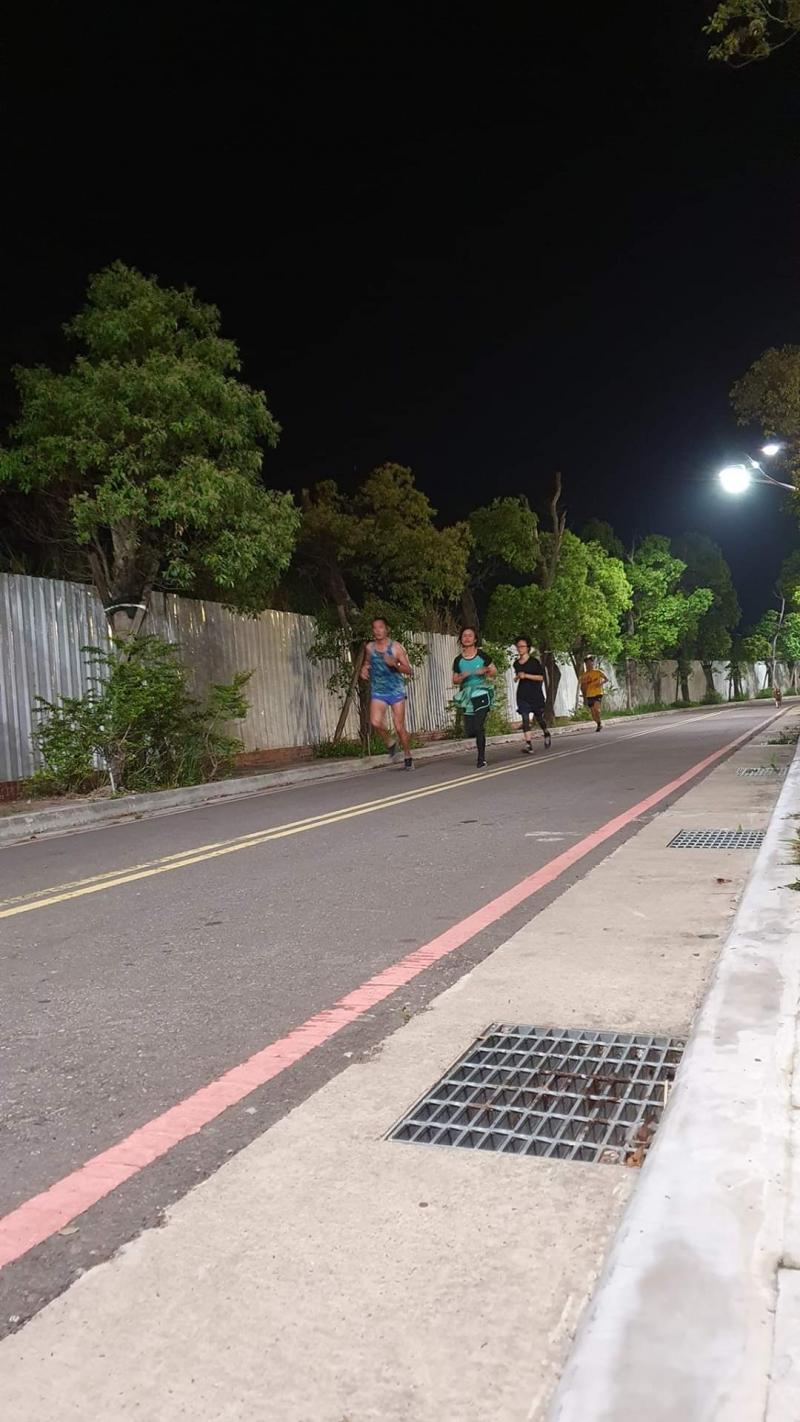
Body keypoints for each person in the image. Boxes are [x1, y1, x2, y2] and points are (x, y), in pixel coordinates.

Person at [360, 616, 414, 769]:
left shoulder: (396, 647)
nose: (378, 631)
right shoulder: (370, 648)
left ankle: (408, 755)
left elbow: (409, 670)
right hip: (379, 691)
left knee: (399, 727)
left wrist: (395, 664)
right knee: (375, 722)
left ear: (386, 629)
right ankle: (390, 743)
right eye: (375, 628)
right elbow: (367, 662)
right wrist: (364, 669)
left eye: (381, 627)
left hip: (396, 690)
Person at [452, 627, 497, 768]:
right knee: (470, 730)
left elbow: (494, 671)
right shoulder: (458, 660)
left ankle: (481, 759)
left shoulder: (482, 655)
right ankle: (479, 744)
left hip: (481, 692)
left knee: (478, 725)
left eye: (470, 635)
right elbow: (454, 680)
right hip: (467, 695)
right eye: (464, 636)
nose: (467, 638)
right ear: (461, 640)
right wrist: (462, 676)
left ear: (475, 639)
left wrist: (485, 670)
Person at [513, 636, 550, 752]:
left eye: (522, 646)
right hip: (522, 694)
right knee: (525, 717)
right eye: (518, 646)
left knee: (539, 717)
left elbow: (541, 677)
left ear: (528, 648)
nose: (520, 649)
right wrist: (517, 677)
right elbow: (519, 675)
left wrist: (526, 675)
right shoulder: (516, 663)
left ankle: (546, 732)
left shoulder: (534, 662)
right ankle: (528, 744)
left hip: (535, 694)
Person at [579, 654, 608, 731]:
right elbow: (582, 686)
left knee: (597, 710)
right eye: (587, 663)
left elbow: (606, 679)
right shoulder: (584, 675)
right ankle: (599, 723)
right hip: (589, 695)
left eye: (590, 662)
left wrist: (601, 683)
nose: (588, 664)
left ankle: (599, 723)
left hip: (598, 693)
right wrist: (583, 692)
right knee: (593, 715)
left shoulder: (598, 672)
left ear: (592, 663)